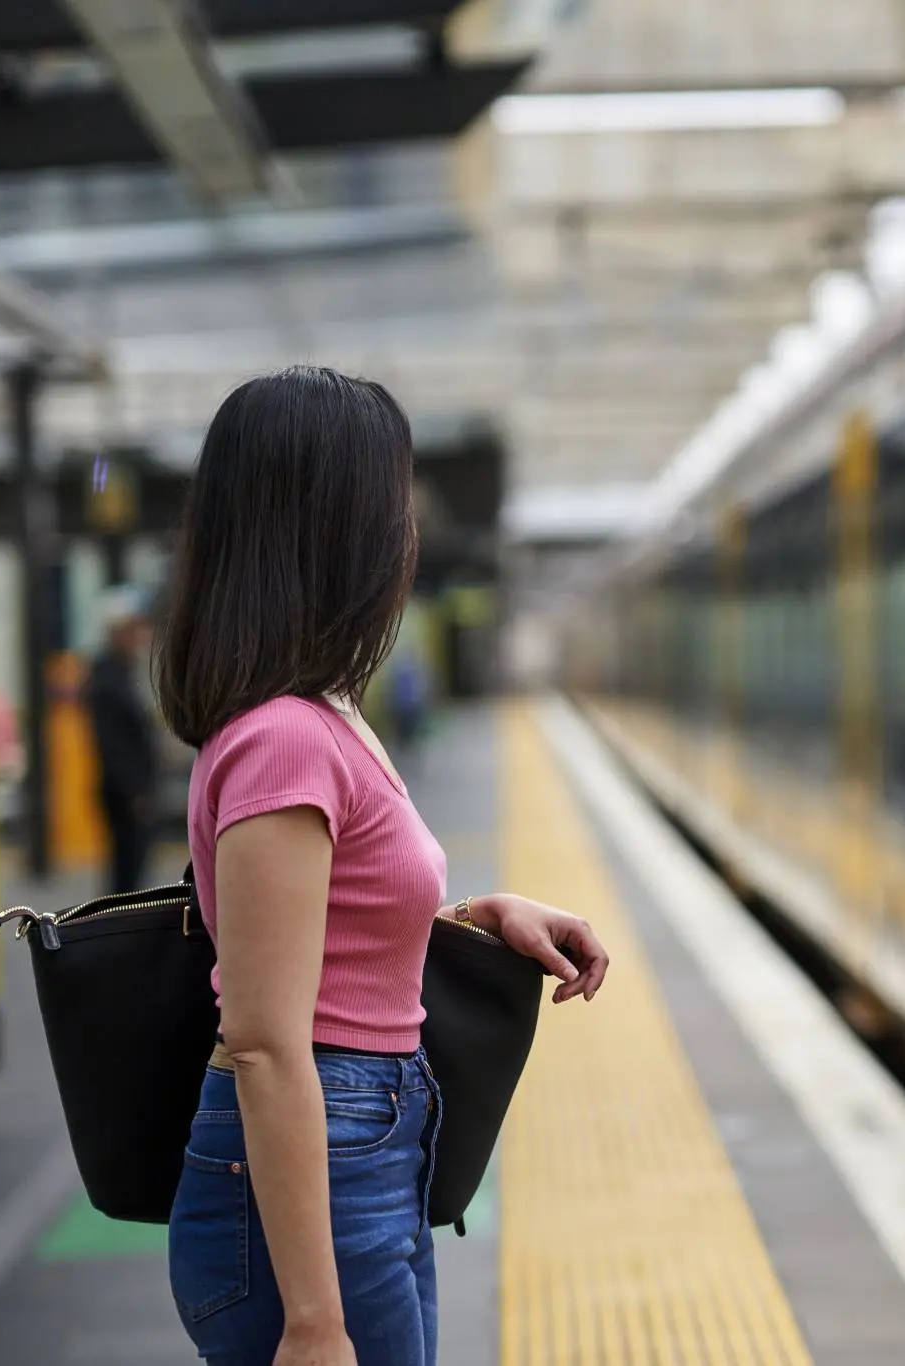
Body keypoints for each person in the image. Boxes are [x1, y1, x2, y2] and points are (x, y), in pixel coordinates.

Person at [155, 367, 610, 1366]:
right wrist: (313, 1322)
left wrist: (475, 917)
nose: (408, 533)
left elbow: (327, 931)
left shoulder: (320, 716)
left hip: (362, 1141)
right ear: (334, 529)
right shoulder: (285, 739)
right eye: (392, 504)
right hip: (323, 1153)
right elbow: (265, 1040)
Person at [86, 586, 159, 893]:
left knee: (132, 869)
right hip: (124, 795)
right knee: (126, 870)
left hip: (131, 791)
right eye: (133, 630)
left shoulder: (123, 674)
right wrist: (134, 791)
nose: (139, 637)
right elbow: (112, 744)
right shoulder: (107, 681)